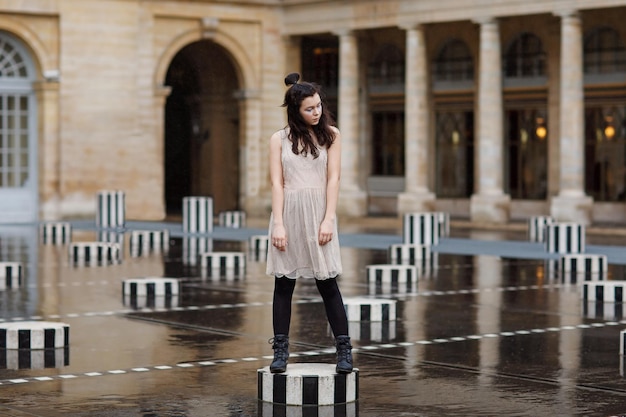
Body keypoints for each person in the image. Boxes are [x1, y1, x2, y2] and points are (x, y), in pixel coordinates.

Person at [266, 72, 353, 374]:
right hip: (288, 211)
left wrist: (328, 218)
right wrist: (278, 223)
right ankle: (280, 350)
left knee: (328, 283)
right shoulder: (278, 139)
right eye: (309, 109)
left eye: (318, 106)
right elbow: (277, 184)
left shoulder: (332, 135)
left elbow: (334, 179)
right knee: (283, 284)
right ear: (295, 111)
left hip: (319, 213)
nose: (316, 112)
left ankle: (343, 350)